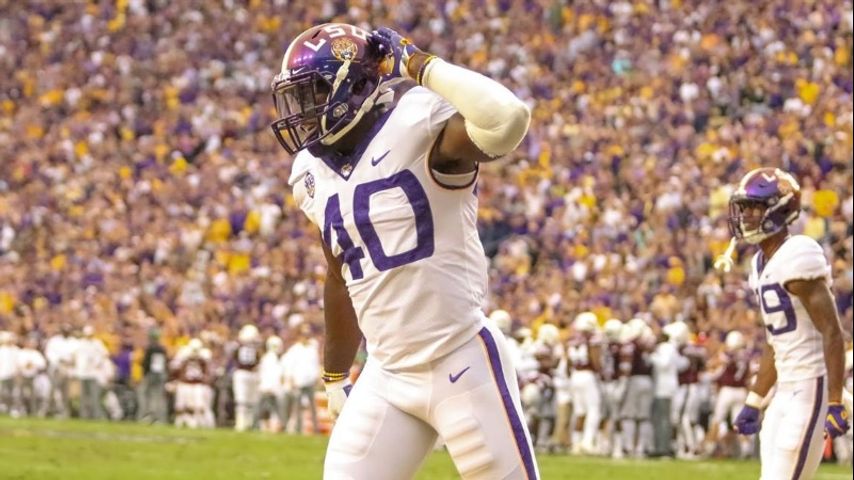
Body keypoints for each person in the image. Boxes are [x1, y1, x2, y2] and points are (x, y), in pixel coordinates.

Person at [273, 22, 537, 479]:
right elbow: (340, 274)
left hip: (460, 358)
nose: (303, 111)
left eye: (313, 93)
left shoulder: (416, 123)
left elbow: (507, 118)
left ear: (353, 87)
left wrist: (420, 65)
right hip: (388, 374)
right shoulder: (309, 173)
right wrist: (335, 374)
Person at [724, 168, 850, 478]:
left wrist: (835, 400)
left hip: (811, 386)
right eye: (744, 208)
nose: (746, 216)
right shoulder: (759, 263)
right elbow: (774, 341)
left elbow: (832, 332)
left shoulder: (798, 253)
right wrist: (755, 399)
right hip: (785, 389)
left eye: (754, 207)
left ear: (780, 209)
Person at [138, 329, 169, 424]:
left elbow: (146, 363)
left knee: (145, 395)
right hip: (161, 375)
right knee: (158, 397)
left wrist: (144, 373)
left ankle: (147, 415)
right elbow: (165, 363)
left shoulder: (150, 348)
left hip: (150, 375)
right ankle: (159, 418)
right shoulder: (163, 349)